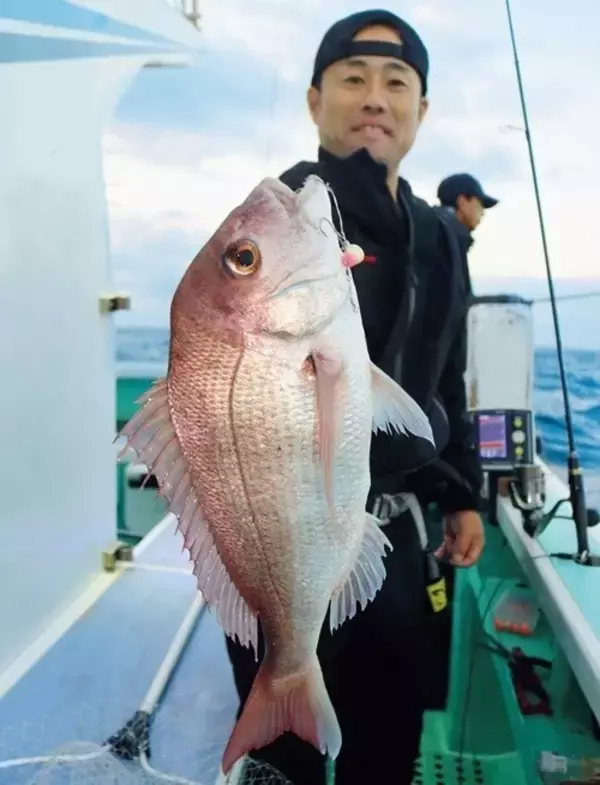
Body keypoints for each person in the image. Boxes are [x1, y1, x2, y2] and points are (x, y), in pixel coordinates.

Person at [224, 10, 485, 784]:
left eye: (395, 83)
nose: (375, 97)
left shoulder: (441, 235)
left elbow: (447, 373)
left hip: (394, 544)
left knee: (386, 746)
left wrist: (460, 490)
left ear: (421, 110)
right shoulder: (282, 220)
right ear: (315, 101)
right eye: (352, 80)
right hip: (283, 537)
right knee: (281, 766)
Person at [436, 173, 499, 291]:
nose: (483, 212)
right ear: (463, 201)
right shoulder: (450, 237)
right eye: (481, 204)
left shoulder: (440, 229)